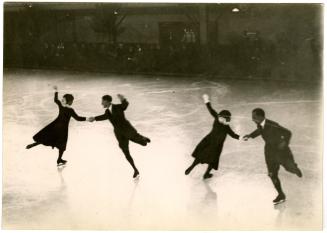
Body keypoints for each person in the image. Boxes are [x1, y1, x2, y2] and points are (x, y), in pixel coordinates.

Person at [243, 108, 302, 204]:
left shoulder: (272, 125)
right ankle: (281, 194)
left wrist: (285, 143)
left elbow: (288, 132)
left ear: (261, 116)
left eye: (254, 117)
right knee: (272, 174)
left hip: (281, 151)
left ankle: (294, 168)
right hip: (270, 152)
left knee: (289, 168)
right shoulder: (260, 124)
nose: (252, 119)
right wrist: (250, 135)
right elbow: (259, 131)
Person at [88, 94, 150, 178]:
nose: (101, 103)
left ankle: (143, 138)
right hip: (120, 135)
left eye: (102, 101)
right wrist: (94, 118)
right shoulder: (107, 112)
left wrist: (123, 99)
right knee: (126, 153)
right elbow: (104, 116)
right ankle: (135, 170)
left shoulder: (117, 107)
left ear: (107, 101)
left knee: (144, 144)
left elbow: (125, 105)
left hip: (129, 131)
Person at [26, 86, 86, 166]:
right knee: (62, 145)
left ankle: (35, 145)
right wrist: (87, 118)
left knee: (47, 138)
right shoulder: (70, 110)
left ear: (67, 101)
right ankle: (59, 159)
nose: (62, 100)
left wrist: (56, 91)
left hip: (55, 125)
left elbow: (56, 100)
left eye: (63, 99)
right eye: (62, 99)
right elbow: (78, 118)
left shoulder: (61, 106)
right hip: (63, 129)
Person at [185, 94, 240, 179]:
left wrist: (206, 100)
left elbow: (210, 109)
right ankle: (206, 174)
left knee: (200, 156)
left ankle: (192, 166)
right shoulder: (226, 127)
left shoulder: (216, 118)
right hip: (217, 145)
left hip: (208, 140)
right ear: (226, 119)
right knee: (213, 161)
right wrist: (243, 137)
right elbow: (233, 135)